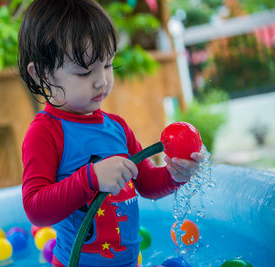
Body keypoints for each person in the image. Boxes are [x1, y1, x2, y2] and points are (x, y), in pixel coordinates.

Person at [18, 0, 204, 266]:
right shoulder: (46, 132)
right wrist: (90, 179)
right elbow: (36, 209)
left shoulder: (117, 127)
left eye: (107, 65)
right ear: (41, 74)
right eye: (84, 72)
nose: (101, 81)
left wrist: (174, 175)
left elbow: (147, 183)